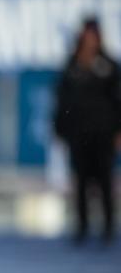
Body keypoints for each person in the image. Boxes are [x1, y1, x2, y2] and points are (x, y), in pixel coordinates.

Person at [54, 17, 121, 246]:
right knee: (81, 183)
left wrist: (118, 132)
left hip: (103, 134)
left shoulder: (109, 66)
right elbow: (62, 102)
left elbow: (117, 101)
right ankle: (81, 227)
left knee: (104, 182)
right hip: (79, 135)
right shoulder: (72, 66)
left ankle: (108, 229)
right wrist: (60, 129)